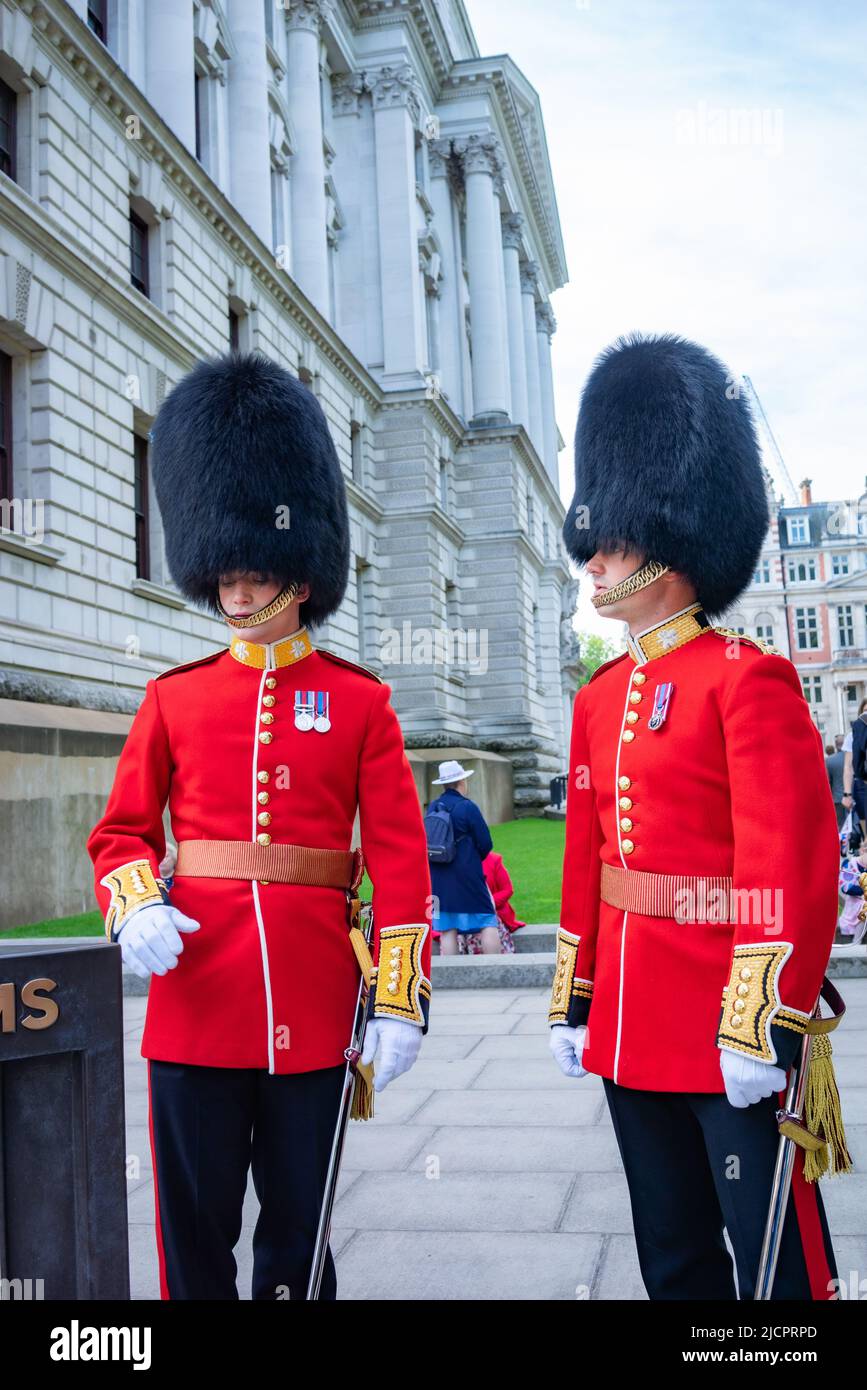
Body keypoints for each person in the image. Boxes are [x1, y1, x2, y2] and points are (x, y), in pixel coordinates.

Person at [88, 353, 432, 1300]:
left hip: (315, 1010)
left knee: (297, 1233)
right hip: (195, 1003)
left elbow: (401, 865)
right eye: (224, 577)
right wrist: (133, 904)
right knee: (193, 1242)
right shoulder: (173, 698)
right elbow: (120, 834)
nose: (236, 594)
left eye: (253, 575)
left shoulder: (359, 703)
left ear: (299, 569)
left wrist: (402, 998)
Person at [549, 333, 847, 1301]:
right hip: (631, 1028)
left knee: (775, 1263)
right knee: (672, 1256)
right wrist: (576, 993)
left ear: (668, 545)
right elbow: (588, 861)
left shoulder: (745, 681)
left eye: (614, 542)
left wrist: (760, 1016)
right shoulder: (597, 699)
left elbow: (788, 863)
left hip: (726, 1020)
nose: (592, 561)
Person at [426, 760, 500, 954]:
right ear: (461, 782)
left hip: (439, 874)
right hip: (468, 873)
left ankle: (452, 975)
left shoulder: (433, 807)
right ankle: (496, 969)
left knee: (447, 928)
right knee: (487, 919)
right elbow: (486, 843)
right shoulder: (468, 807)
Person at [842, 697, 867, 839]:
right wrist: (847, 794)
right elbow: (848, 767)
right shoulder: (853, 735)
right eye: (865, 712)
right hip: (863, 786)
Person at [825, 742, 847, 827]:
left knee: (841, 825)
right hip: (855, 795)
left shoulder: (829, 761)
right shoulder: (851, 757)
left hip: (837, 797)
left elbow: (828, 781)